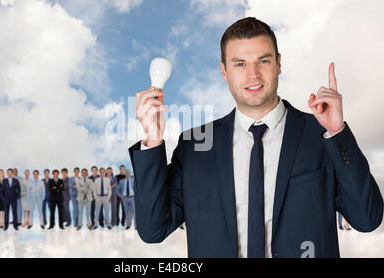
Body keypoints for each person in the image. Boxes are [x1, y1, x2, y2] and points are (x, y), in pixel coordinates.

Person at [130, 17, 383, 258]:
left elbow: (367, 219)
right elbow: (154, 230)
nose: (253, 75)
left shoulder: (321, 134)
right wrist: (153, 142)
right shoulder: (195, 144)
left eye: (263, 61)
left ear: (279, 64)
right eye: (240, 63)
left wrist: (337, 134)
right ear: (224, 70)